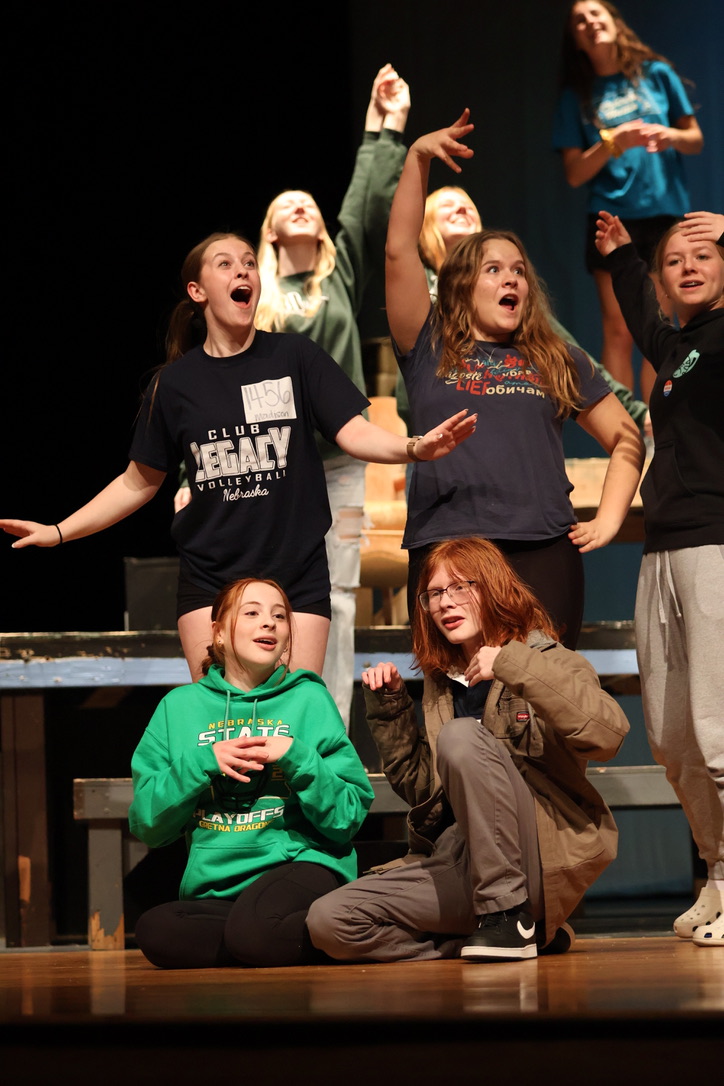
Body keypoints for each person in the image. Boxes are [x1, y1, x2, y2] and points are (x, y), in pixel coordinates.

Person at [0, 232, 476, 681]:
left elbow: (354, 433)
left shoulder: (294, 357)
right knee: (221, 727)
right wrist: (59, 531)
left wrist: (414, 448)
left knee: (294, 724)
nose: (242, 271)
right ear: (198, 290)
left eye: (249, 263)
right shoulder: (174, 386)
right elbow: (136, 482)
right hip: (211, 577)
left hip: (296, 571)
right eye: (225, 264)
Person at [172, 65, 410, 728]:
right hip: (268, 470)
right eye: (286, 205)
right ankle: (246, 720)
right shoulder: (255, 301)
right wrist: (192, 470)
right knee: (256, 602)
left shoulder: (340, 281)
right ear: (267, 233)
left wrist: (382, 127)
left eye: (310, 202)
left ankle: (321, 722)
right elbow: (214, 394)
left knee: (334, 593)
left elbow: (364, 206)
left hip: (339, 460)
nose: (302, 206)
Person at [386, 109, 644, 650]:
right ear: (460, 285)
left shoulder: (556, 356)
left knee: (543, 710)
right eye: (493, 269)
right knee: (460, 710)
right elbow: (398, 251)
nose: (511, 279)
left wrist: (610, 519)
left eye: (519, 270)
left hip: (543, 551)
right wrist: (417, 158)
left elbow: (626, 438)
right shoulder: (428, 341)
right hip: (449, 547)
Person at [306, 536, 630, 962]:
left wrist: (511, 665)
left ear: (494, 588)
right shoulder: (442, 686)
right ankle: (510, 936)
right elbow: (427, 794)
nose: (445, 602)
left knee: (460, 735)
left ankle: (511, 914)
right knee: (330, 921)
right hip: (463, 856)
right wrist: (391, 712)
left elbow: (608, 734)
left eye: (461, 587)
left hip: (536, 854)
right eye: (435, 593)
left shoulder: (552, 660)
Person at [128, 577, 375, 968]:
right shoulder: (179, 707)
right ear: (219, 633)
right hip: (219, 885)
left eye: (279, 616)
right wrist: (202, 762)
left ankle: (272, 935)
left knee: (254, 931)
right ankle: (277, 938)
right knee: (156, 930)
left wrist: (295, 756)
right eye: (253, 613)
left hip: (299, 865)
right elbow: (147, 824)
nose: (269, 623)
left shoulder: (309, 698)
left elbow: (347, 818)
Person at [594, 208, 724, 948]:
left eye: (705, 253)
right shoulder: (681, 353)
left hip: (716, 547)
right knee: (673, 735)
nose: (688, 266)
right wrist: (622, 258)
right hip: (661, 554)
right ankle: (717, 873)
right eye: (675, 259)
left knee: (717, 728)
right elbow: (648, 323)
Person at [395, 184, 650, 437]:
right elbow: (396, 250)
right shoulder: (417, 297)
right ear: (425, 226)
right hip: (433, 446)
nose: (461, 207)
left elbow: (570, 357)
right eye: (447, 205)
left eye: (517, 270)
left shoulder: (513, 300)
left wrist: (635, 413)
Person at [552, 1, 703, 400]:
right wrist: (612, 142)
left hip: (663, 214)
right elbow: (574, 173)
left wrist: (669, 135)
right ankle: (626, 431)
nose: (589, 23)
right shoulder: (576, 96)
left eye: (596, 14)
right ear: (575, 38)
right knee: (618, 329)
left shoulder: (656, 74)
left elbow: (695, 139)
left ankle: (661, 425)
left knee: (659, 322)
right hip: (611, 218)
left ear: (614, 22)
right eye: (579, 20)